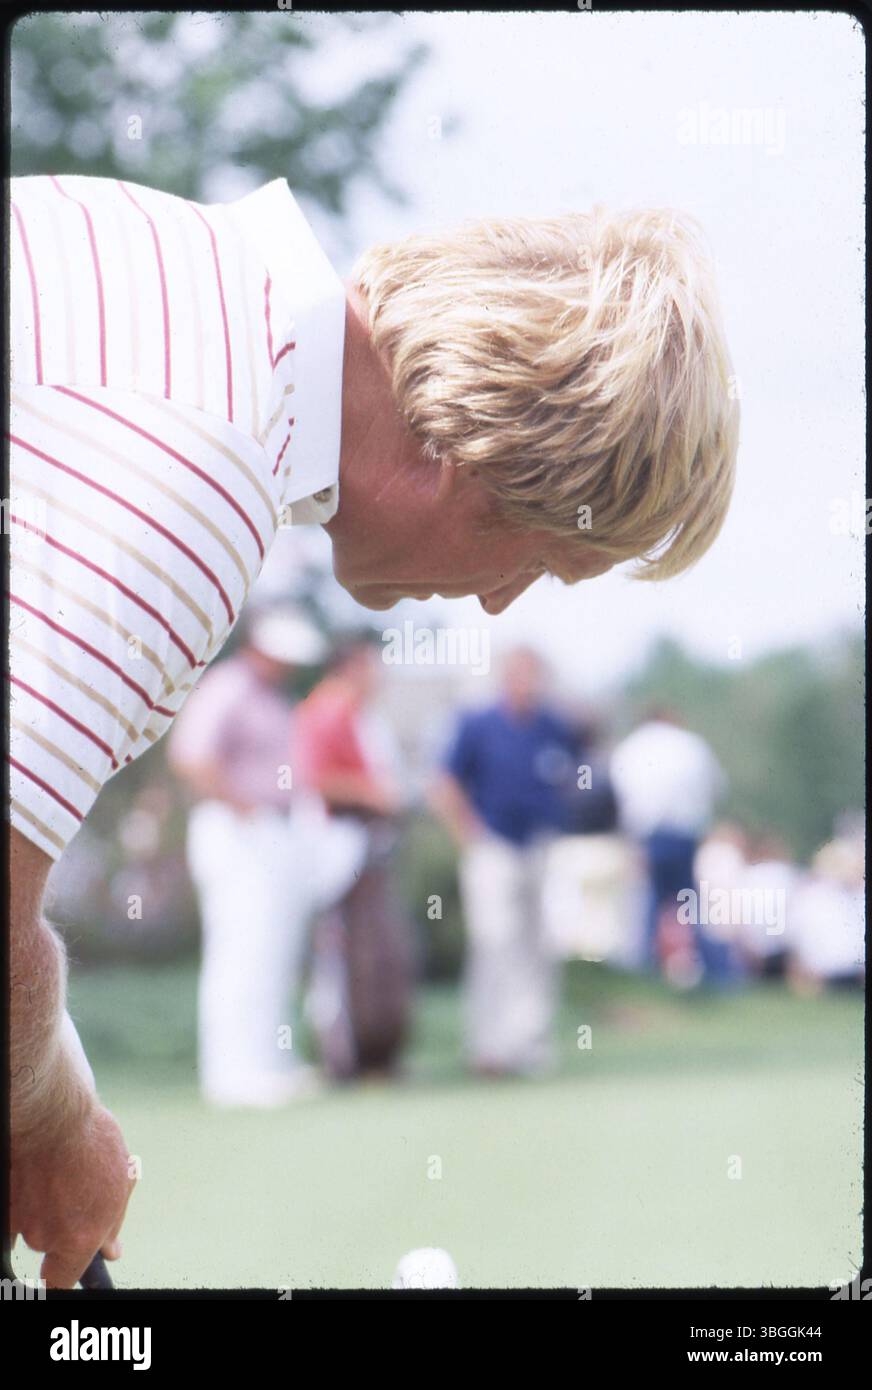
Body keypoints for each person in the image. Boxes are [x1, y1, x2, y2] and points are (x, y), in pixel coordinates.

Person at [8, 171, 739, 1282]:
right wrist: (58, 1124)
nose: (497, 603)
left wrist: (48, 1093)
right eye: (536, 559)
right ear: (473, 454)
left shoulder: (176, 265)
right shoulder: (200, 474)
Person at [167, 605, 333, 1107]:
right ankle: (232, 1074)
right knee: (241, 953)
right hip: (238, 833)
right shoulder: (229, 687)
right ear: (258, 647)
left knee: (273, 953)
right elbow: (191, 758)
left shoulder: (273, 696)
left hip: (275, 833)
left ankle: (269, 1064)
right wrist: (246, 809)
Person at [430, 648, 577, 1075]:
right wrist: (468, 835)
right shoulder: (478, 724)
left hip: (539, 844)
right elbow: (444, 783)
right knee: (495, 943)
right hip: (493, 844)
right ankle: (489, 1046)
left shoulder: (551, 725)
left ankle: (529, 1044)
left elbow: (577, 760)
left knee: (537, 944)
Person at [294, 639, 412, 1080]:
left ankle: (377, 1054)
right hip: (339, 846)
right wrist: (374, 796)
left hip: (368, 846)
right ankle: (342, 1057)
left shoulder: (362, 716)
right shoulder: (326, 710)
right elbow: (317, 780)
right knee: (342, 955)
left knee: (377, 956)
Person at [609, 708, 726, 984]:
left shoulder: (631, 747)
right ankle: (712, 970)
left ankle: (643, 968)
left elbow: (618, 794)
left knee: (649, 902)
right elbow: (716, 786)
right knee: (688, 902)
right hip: (684, 834)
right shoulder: (691, 744)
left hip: (647, 835)